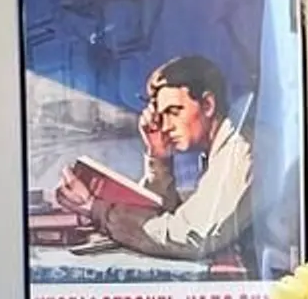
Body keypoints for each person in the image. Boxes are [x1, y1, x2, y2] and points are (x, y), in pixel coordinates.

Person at [57, 52, 256, 265]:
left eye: (174, 112)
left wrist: (96, 208)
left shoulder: (241, 149)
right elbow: (164, 215)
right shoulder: (222, 148)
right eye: (161, 116)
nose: (166, 126)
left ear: (207, 104)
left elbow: (190, 237)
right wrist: (158, 157)